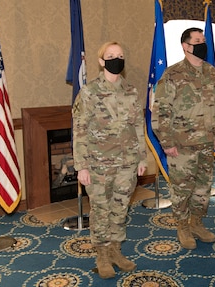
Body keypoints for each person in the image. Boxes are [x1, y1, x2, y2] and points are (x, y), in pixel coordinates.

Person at [72, 41, 147, 279]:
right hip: (98, 164)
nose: (117, 59)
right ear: (101, 61)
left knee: (120, 209)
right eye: (111, 55)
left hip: (127, 162)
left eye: (121, 55)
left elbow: (138, 126)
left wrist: (142, 158)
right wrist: (81, 166)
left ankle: (116, 251)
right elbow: (80, 130)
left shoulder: (131, 91)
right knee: (101, 210)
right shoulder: (89, 92)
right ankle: (102, 255)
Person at [151, 27, 215, 249]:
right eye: (198, 40)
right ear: (186, 46)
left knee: (203, 188)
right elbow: (161, 111)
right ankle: (183, 227)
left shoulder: (211, 72)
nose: (203, 44)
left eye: (203, 40)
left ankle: (197, 223)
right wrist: (167, 143)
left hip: (205, 143)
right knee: (182, 189)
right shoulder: (172, 74)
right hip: (181, 145)